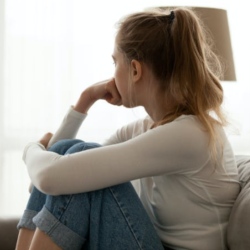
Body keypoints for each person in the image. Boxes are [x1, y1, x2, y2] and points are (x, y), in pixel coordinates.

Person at [15, 7, 240, 250]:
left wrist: (31, 150)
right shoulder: (146, 129)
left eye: (115, 62)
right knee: (75, 153)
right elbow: (48, 181)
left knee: (81, 158)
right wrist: (85, 100)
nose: (111, 74)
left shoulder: (190, 135)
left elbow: (49, 177)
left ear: (135, 70)